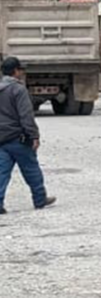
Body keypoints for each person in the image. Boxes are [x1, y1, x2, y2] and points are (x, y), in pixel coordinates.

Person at [0, 57, 55, 214]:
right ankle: (39, 199)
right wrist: (34, 136)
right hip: (18, 138)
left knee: (1, 172)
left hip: (1, 139)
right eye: (20, 70)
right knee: (31, 169)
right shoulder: (18, 89)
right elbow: (26, 115)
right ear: (16, 71)